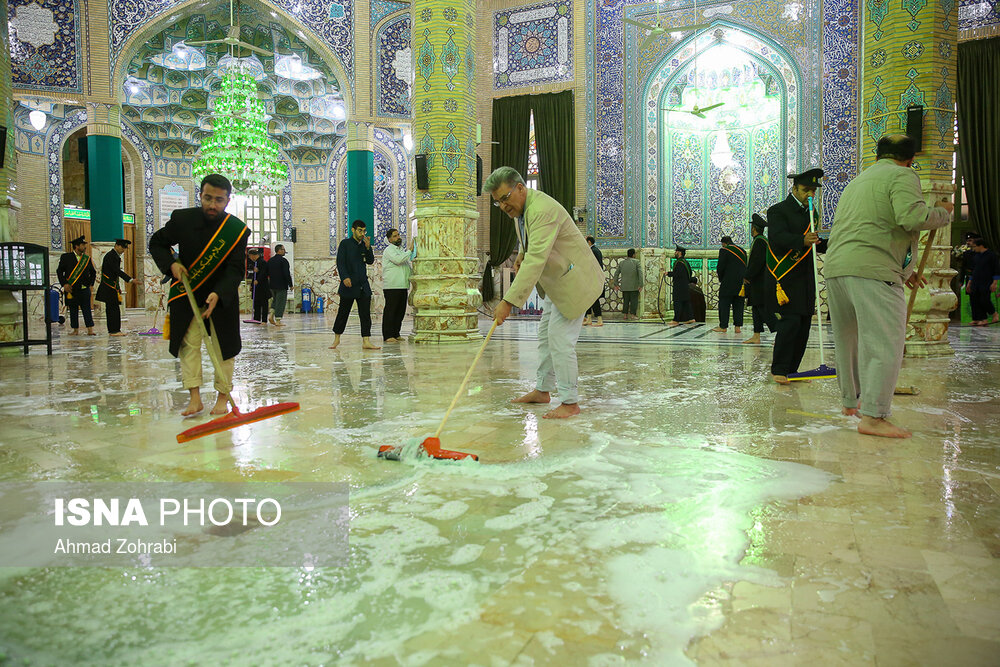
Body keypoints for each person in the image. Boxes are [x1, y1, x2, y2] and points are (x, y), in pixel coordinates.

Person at [825, 134, 954, 437]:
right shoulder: (903, 174)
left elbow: (871, 226)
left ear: (878, 155)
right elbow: (911, 218)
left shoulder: (858, 181)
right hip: (872, 270)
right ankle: (873, 417)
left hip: (837, 269)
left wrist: (905, 269)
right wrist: (944, 213)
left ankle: (850, 403)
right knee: (885, 343)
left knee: (848, 340)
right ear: (911, 159)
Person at [487, 167, 603, 419]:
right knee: (545, 337)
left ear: (520, 188)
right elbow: (533, 245)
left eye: (505, 198)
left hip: (575, 281)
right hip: (557, 282)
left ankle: (570, 402)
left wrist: (508, 302)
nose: (503, 206)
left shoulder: (541, 210)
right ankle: (543, 390)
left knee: (560, 340)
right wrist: (521, 253)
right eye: (498, 202)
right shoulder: (524, 209)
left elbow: (537, 259)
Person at [148, 173, 249, 416]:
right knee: (188, 344)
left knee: (223, 348)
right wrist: (171, 265)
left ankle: (222, 398)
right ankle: (194, 398)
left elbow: (235, 269)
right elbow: (157, 243)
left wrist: (218, 293)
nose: (212, 205)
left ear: (228, 200)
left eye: (218, 200)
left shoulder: (236, 230)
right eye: (207, 198)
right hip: (187, 293)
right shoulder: (182, 219)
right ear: (200, 195)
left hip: (221, 296)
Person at [767, 167, 827, 384]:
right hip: (787, 278)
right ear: (794, 188)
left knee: (803, 325)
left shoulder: (812, 214)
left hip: (806, 277)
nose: (810, 195)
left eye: (813, 191)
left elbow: (814, 243)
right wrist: (802, 241)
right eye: (805, 190)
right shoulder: (778, 211)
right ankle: (779, 370)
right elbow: (777, 237)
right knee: (790, 323)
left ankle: (793, 370)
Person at [331, 220, 379, 350]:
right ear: (353, 230)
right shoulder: (345, 244)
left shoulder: (364, 244)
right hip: (349, 284)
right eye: (360, 230)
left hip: (363, 285)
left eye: (364, 231)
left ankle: (366, 340)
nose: (362, 233)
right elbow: (340, 262)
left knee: (365, 314)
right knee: (343, 312)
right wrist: (345, 277)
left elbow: (370, 261)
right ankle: (336, 339)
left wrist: (368, 248)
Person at [743, 214, 777, 344]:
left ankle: (779, 331)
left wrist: (747, 275)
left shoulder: (759, 242)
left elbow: (756, 262)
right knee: (756, 308)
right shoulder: (762, 240)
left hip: (760, 281)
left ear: (754, 228)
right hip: (759, 281)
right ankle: (756, 336)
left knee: (763, 308)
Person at [56, 235, 97, 336]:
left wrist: (91, 284)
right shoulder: (66, 257)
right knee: (73, 310)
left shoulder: (86, 259)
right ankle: (75, 330)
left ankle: (90, 330)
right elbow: (60, 271)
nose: (85, 247)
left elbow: (93, 272)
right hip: (71, 289)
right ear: (76, 246)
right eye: (83, 245)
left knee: (87, 309)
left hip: (84, 289)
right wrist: (64, 284)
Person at [382, 227, 416, 342]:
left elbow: (405, 265)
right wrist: (410, 250)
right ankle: (388, 335)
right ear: (390, 239)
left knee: (400, 312)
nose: (398, 237)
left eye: (398, 235)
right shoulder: (389, 250)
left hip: (402, 286)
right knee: (391, 311)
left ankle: (396, 333)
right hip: (392, 286)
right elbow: (399, 260)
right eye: (395, 236)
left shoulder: (400, 250)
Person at [95, 238, 135, 336]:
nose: (123, 250)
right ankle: (114, 330)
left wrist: (118, 286)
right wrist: (130, 279)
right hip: (108, 287)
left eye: (125, 248)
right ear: (116, 246)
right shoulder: (111, 256)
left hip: (111, 287)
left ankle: (114, 330)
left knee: (113, 308)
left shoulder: (113, 256)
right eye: (122, 247)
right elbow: (117, 271)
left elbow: (114, 273)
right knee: (113, 309)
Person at [712, 235, 747, 334]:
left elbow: (720, 267)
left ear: (724, 243)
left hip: (728, 283)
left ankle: (723, 326)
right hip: (741, 283)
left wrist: (722, 279)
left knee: (724, 303)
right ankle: (737, 327)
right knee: (739, 304)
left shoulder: (724, 250)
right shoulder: (742, 251)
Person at [967, 237, 1000, 326]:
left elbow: (996, 270)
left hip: (986, 281)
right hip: (975, 281)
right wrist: (969, 282)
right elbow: (973, 270)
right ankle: (979, 318)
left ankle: (994, 314)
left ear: (981, 246)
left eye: (975, 246)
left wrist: (995, 282)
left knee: (984, 299)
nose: (974, 249)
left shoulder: (991, 255)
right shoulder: (976, 256)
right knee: (974, 299)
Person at [665, 246, 695, 326]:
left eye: (676, 252)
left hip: (679, 286)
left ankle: (676, 320)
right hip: (685, 286)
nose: (675, 253)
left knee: (677, 302)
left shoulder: (679, 263)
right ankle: (691, 318)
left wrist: (668, 273)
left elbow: (677, 274)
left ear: (679, 253)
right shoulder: (685, 262)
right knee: (686, 302)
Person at [613, 248, 643, 320]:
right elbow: (640, 274)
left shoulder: (622, 263)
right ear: (633, 255)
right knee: (634, 301)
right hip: (634, 286)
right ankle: (633, 315)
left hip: (624, 286)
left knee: (626, 300)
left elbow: (616, 274)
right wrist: (641, 284)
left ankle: (625, 315)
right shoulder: (637, 262)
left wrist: (616, 284)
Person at [267, 244, 293, 326]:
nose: (284, 251)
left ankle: (271, 315)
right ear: (279, 250)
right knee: (281, 302)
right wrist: (291, 284)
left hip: (272, 285)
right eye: (283, 249)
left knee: (275, 300)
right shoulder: (283, 261)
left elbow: (267, 273)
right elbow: (286, 274)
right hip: (281, 285)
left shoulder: (270, 260)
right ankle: (278, 320)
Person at [583, 236, 605, 327]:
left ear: (589, 242)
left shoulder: (592, 251)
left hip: (592, 278)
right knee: (588, 299)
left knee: (593, 299)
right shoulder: (596, 250)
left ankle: (599, 320)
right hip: (592, 278)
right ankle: (589, 319)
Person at [246, 248, 270, 324]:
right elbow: (254, 275)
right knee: (256, 303)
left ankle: (264, 320)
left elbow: (264, 273)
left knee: (264, 303)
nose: (250, 258)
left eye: (250, 256)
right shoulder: (255, 263)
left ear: (253, 255)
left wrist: (258, 280)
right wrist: (252, 284)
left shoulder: (263, 262)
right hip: (256, 287)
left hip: (263, 287)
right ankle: (256, 318)